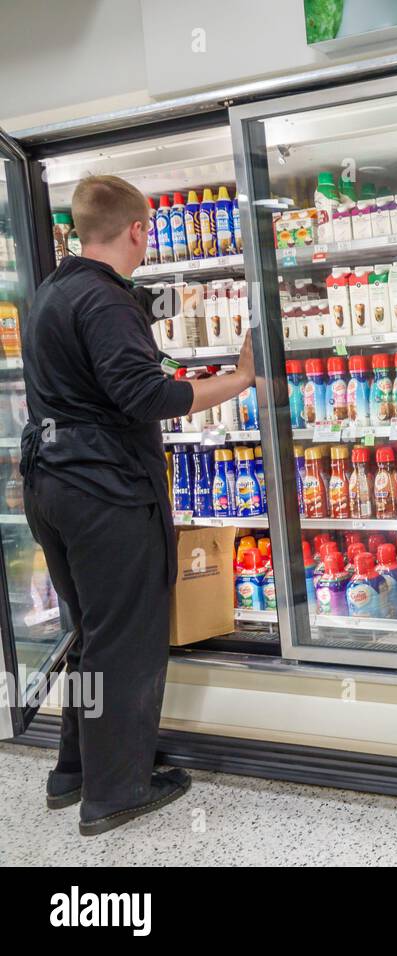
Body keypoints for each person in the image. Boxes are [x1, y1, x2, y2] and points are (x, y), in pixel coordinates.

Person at [20, 174, 255, 836]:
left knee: (93, 632)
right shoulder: (105, 301)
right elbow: (144, 395)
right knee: (124, 640)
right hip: (104, 493)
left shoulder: (53, 291)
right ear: (136, 230)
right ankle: (115, 793)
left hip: (51, 484)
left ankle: (75, 769)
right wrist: (236, 379)